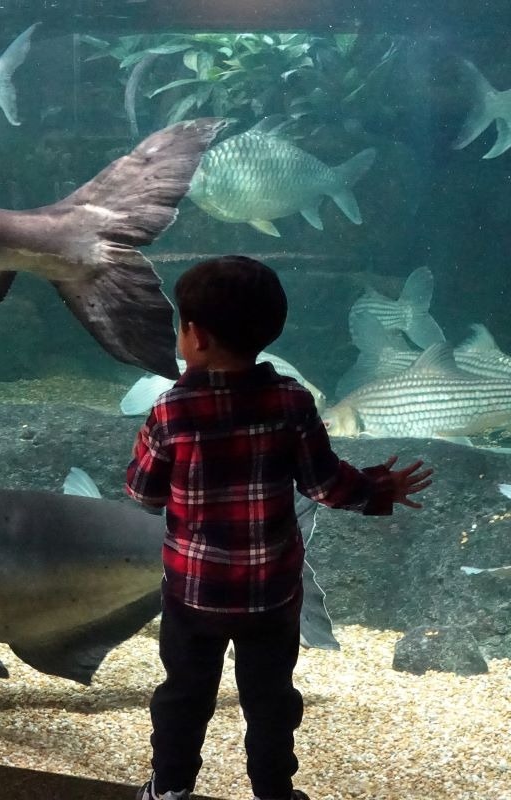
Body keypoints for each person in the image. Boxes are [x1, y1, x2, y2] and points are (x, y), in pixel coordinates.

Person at [124, 256, 433, 800]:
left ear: (193, 336)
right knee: (270, 699)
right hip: (271, 593)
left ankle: (169, 789)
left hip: (194, 594)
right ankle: (274, 792)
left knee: (183, 695)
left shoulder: (169, 411)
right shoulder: (291, 401)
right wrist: (379, 489)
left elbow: (143, 494)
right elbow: (325, 484)